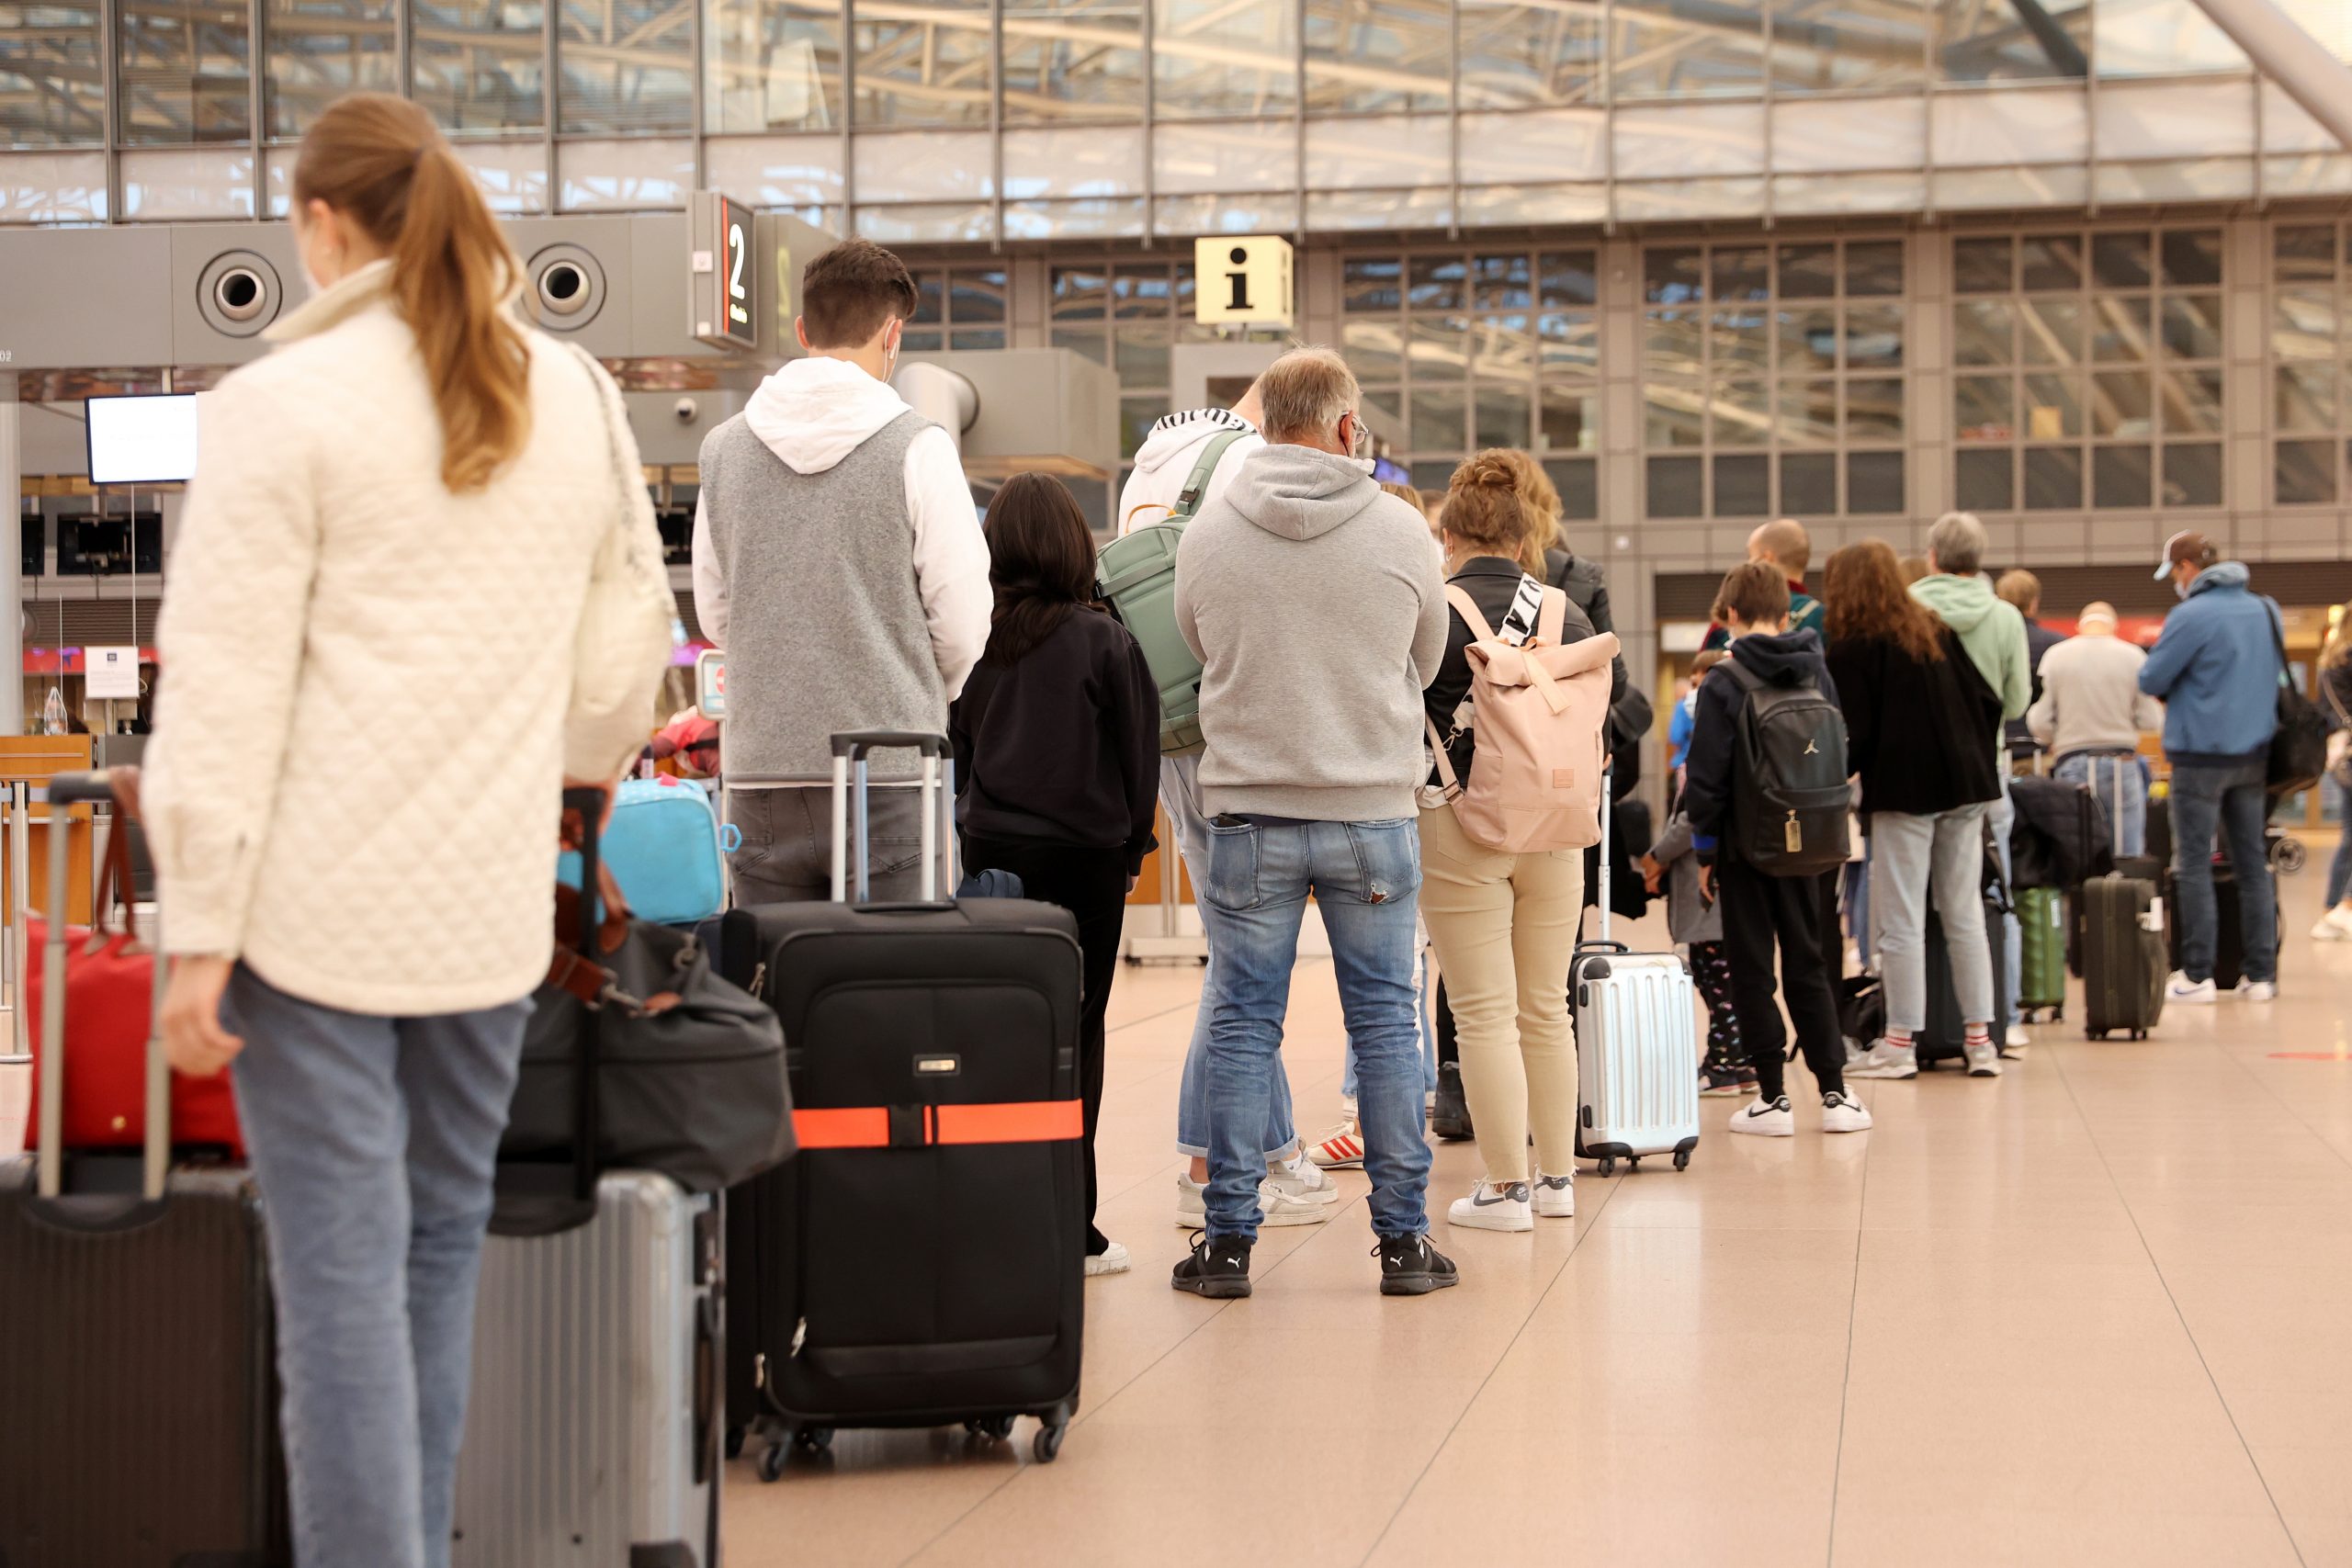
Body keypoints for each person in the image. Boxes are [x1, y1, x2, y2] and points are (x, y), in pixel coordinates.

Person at [145, 94, 673, 1568]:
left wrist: (199, 928)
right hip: (489, 911)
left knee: (337, 1296)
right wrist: (562, 789)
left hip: (309, 921)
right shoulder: (567, 390)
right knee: (443, 1245)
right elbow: (630, 637)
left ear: (323, 224)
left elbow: (228, 689)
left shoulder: (277, 407)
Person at [1169, 346, 1456, 1298]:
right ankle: (1403, 1243)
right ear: (1347, 429)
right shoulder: (1403, 531)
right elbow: (1424, 660)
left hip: (1249, 809)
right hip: (1369, 811)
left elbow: (1201, 644)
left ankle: (1227, 1246)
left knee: (1244, 1023)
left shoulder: (1208, 532)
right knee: (1382, 1024)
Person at [693, 237, 991, 905]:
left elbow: (717, 615)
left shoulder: (721, 451)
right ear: (893, 334)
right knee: (889, 985)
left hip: (759, 770)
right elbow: (964, 620)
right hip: (889, 767)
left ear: (803, 330)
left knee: (774, 981)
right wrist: (905, 682)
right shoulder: (919, 445)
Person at [1119, 378, 1339, 1228]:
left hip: (1175, 727)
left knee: (1239, 945)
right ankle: (1213, 1164)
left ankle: (1271, 1151)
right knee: (1248, 954)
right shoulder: (1246, 462)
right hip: (1232, 725)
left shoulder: (1154, 467)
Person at [950, 473, 1160, 1280]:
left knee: (1001, 1032)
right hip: (1086, 865)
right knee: (1081, 1034)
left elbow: (959, 754)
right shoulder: (1103, 639)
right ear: (1077, 542)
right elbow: (1138, 764)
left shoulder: (977, 641)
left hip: (994, 857)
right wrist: (1130, 849)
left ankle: (995, 1213)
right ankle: (1075, 1225)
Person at [1416, 452, 1610, 1232]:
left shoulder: (1433, 609)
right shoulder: (1572, 614)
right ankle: (1558, 1178)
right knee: (1545, 1010)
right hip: (1557, 826)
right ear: (1526, 543)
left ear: (1449, 535)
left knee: (1484, 1011)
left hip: (1458, 821)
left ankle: (1506, 1188)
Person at [1680, 562, 1871, 1136]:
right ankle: (1835, 1093)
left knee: (1752, 968)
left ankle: (1771, 1098)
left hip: (1747, 847)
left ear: (1730, 614)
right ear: (1787, 614)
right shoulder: (1820, 672)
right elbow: (1843, 751)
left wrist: (1706, 852)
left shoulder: (1724, 680)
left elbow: (1706, 778)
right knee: (1813, 962)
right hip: (1816, 842)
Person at [1826, 542, 2007, 1082]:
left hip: (1906, 792)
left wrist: (1838, 776)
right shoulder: (1932, 627)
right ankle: (1981, 1042)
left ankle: (1899, 1044)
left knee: (1900, 920)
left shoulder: (1854, 644)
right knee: (1964, 914)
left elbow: (1852, 735)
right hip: (1968, 787)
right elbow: (1990, 701)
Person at [2140, 530, 2283, 1001]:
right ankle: (2261, 975)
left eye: (2173, 574)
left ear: (2185, 568)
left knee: (2194, 863)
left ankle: (2197, 973)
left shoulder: (2190, 615)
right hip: (2255, 755)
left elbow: (2152, 676)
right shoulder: (2266, 609)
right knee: (2252, 864)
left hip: (2199, 756)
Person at [1909, 513, 2032, 1050]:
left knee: (1904, 910)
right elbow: (2019, 699)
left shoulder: (1907, 606)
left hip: (1912, 772)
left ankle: (1905, 1034)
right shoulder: (2004, 616)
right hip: (1985, 772)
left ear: (1933, 555)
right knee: (1981, 900)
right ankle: (1993, 1023)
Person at [2028, 602, 2162, 858]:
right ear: (2115, 626)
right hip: (2121, 763)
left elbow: (2039, 721)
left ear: (2080, 626)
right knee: (2127, 854)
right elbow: (2151, 720)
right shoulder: (2133, 656)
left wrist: (2059, 734)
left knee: (2077, 849)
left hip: (2073, 762)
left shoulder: (2057, 655)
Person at [1642, 779, 1748, 1099]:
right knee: (1724, 983)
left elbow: (1691, 820)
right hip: (1723, 892)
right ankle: (1740, 1062)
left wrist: (1657, 856)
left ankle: (1724, 1066)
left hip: (1709, 899)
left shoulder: (1712, 761)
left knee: (1718, 986)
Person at [1702, 518, 1823, 651]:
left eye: (1750, 555)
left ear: (1767, 559)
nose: (1747, 563)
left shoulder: (1733, 611)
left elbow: (1703, 667)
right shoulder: (1823, 618)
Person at [2310, 604, 2352, 941]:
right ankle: (2346, 906)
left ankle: (2331, 910)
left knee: (2349, 837)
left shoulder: (2329, 664)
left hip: (2342, 757)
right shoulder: (2346, 662)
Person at [1996, 570, 2066, 762]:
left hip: (1998, 746)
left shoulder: (1991, 641)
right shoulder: (2057, 645)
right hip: (2041, 749)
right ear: (2034, 603)